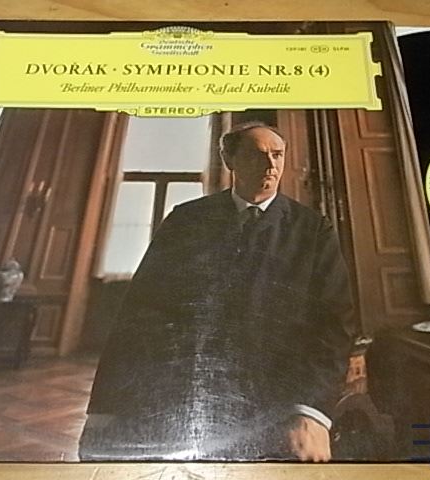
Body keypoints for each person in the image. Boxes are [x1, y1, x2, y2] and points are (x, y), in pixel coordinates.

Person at [79, 122, 355, 461]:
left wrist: (311, 411)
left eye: (278, 155)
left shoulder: (312, 230)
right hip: (187, 397)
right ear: (230, 160)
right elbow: (139, 313)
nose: (270, 165)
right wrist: (106, 408)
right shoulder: (186, 221)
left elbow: (335, 325)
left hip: (277, 402)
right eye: (256, 155)